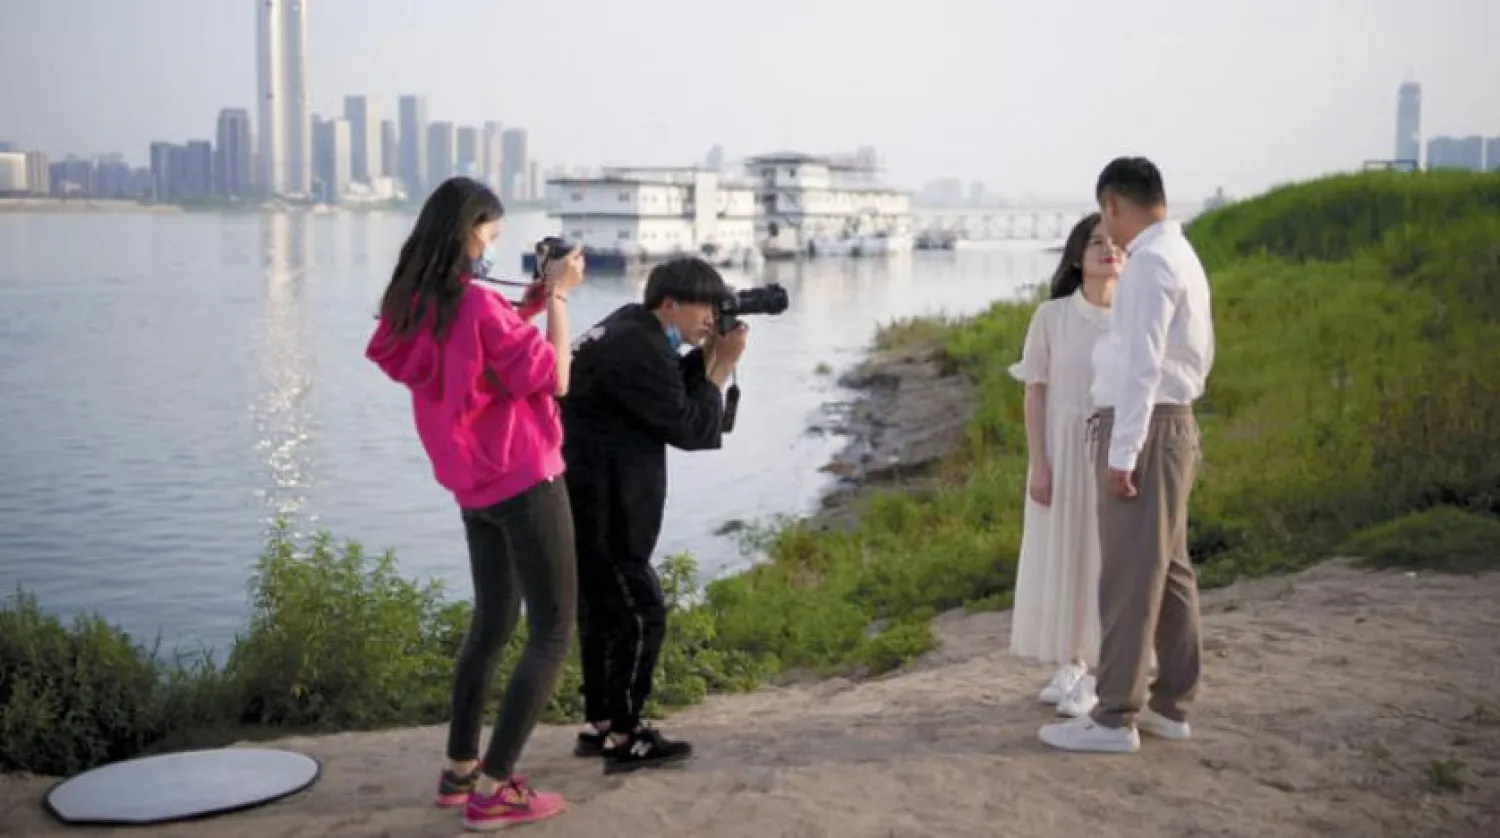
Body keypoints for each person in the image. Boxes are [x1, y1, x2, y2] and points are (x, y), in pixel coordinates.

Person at [364, 176, 584, 829]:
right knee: (551, 630)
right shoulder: (478, 308)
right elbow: (557, 377)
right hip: (525, 478)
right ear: (467, 232)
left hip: (474, 487)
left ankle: (460, 768)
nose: (493, 245)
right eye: (490, 233)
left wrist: (534, 303)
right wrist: (564, 301)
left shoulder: (414, 308)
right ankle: (496, 788)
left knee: (491, 625)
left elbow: (471, 352)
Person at [1039, 156, 1215, 754]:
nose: (1105, 231)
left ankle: (1114, 716)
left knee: (1129, 577)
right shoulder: (1181, 254)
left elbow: (1142, 366)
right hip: (1172, 424)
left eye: (1104, 215)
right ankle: (1171, 704)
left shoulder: (1149, 264)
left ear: (1114, 203)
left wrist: (1123, 454)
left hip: (1147, 427)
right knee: (1169, 572)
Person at [560, 257, 748, 774]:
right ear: (670, 303)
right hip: (607, 506)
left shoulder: (630, 328)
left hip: (587, 497)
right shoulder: (637, 346)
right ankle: (627, 737)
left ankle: (602, 724)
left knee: (603, 615)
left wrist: (706, 356)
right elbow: (688, 429)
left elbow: (659, 389)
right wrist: (722, 367)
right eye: (704, 307)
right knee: (642, 616)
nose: (711, 317)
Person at [1007, 213, 1121, 719]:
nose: (1108, 250)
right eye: (1096, 242)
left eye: (1116, 243)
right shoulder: (1051, 317)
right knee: (1065, 551)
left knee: (1106, 556)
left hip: (1114, 448)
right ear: (1078, 256)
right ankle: (1072, 660)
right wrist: (1040, 464)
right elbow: (1036, 394)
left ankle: (1101, 671)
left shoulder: (1135, 315)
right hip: (1062, 448)